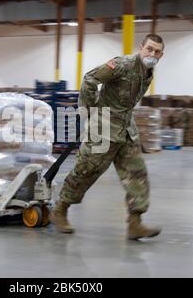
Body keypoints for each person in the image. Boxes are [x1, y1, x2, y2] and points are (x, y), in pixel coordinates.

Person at [49, 34, 164, 240]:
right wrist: (89, 109)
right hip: (104, 127)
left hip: (127, 129)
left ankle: (135, 223)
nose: (152, 54)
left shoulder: (149, 72)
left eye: (157, 51)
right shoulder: (122, 64)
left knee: (137, 173)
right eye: (149, 49)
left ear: (161, 55)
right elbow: (90, 78)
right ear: (141, 47)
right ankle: (60, 209)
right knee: (87, 170)